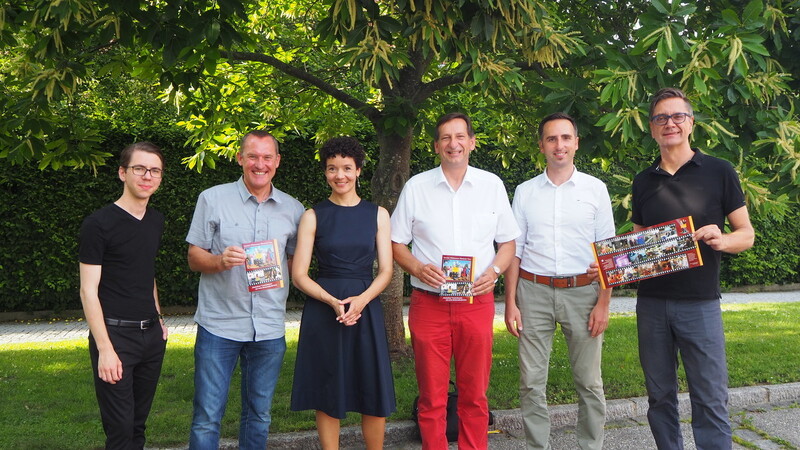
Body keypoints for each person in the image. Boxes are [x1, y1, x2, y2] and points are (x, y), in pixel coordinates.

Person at [631, 88, 754, 449]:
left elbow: (746, 234)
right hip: (651, 305)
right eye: (660, 118)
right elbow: (638, 247)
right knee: (659, 399)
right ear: (652, 129)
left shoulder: (719, 171)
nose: (669, 124)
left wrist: (722, 238)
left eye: (677, 117)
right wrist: (610, 265)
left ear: (690, 124)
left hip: (699, 304)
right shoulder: (643, 181)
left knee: (710, 399)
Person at [391, 112, 520, 449]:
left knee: (474, 395)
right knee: (432, 396)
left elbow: (508, 243)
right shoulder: (417, 187)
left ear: (472, 142)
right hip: (428, 304)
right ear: (436, 146)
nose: (454, 144)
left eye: (460, 136)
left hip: (475, 303)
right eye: (446, 138)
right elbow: (395, 243)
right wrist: (417, 268)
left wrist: (493, 273)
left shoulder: (492, 185)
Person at [186, 130, 304, 450]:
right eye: (252, 156)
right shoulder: (212, 198)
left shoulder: (294, 210)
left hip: (268, 327)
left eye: (267, 157)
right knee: (207, 416)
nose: (259, 164)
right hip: (219, 325)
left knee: (259, 415)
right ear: (240, 158)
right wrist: (219, 261)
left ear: (277, 162)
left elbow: (296, 265)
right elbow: (194, 258)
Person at [504, 112, 616, 450]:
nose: (559, 145)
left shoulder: (596, 189)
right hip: (533, 292)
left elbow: (607, 253)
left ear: (576, 143)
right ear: (541, 146)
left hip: (583, 293)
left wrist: (603, 303)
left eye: (566, 138)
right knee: (531, 382)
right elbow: (515, 251)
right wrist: (510, 303)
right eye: (552, 139)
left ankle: (590, 445)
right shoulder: (525, 192)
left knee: (588, 382)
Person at [290, 137, 396, 449]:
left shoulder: (378, 214)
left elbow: (387, 270)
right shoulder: (313, 215)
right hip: (325, 311)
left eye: (347, 168)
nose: (340, 175)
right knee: (327, 385)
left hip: (366, 307)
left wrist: (362, 300)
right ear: (325, 172)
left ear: (359, 170)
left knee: (371, 384)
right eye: (332, 168)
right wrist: (331, 301)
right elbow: (299, 274)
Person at [79, 141, 168, 449]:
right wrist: (104, 348)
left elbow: (146, 272)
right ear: (122, 173)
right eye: (139, 168)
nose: (147, 176)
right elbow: (88, 289)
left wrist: (159, 319)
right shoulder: (98, 224)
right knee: (119, 430)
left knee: (138, 425)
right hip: (115, 337)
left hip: (151, 337)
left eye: (154, 170)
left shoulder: (155, 221)